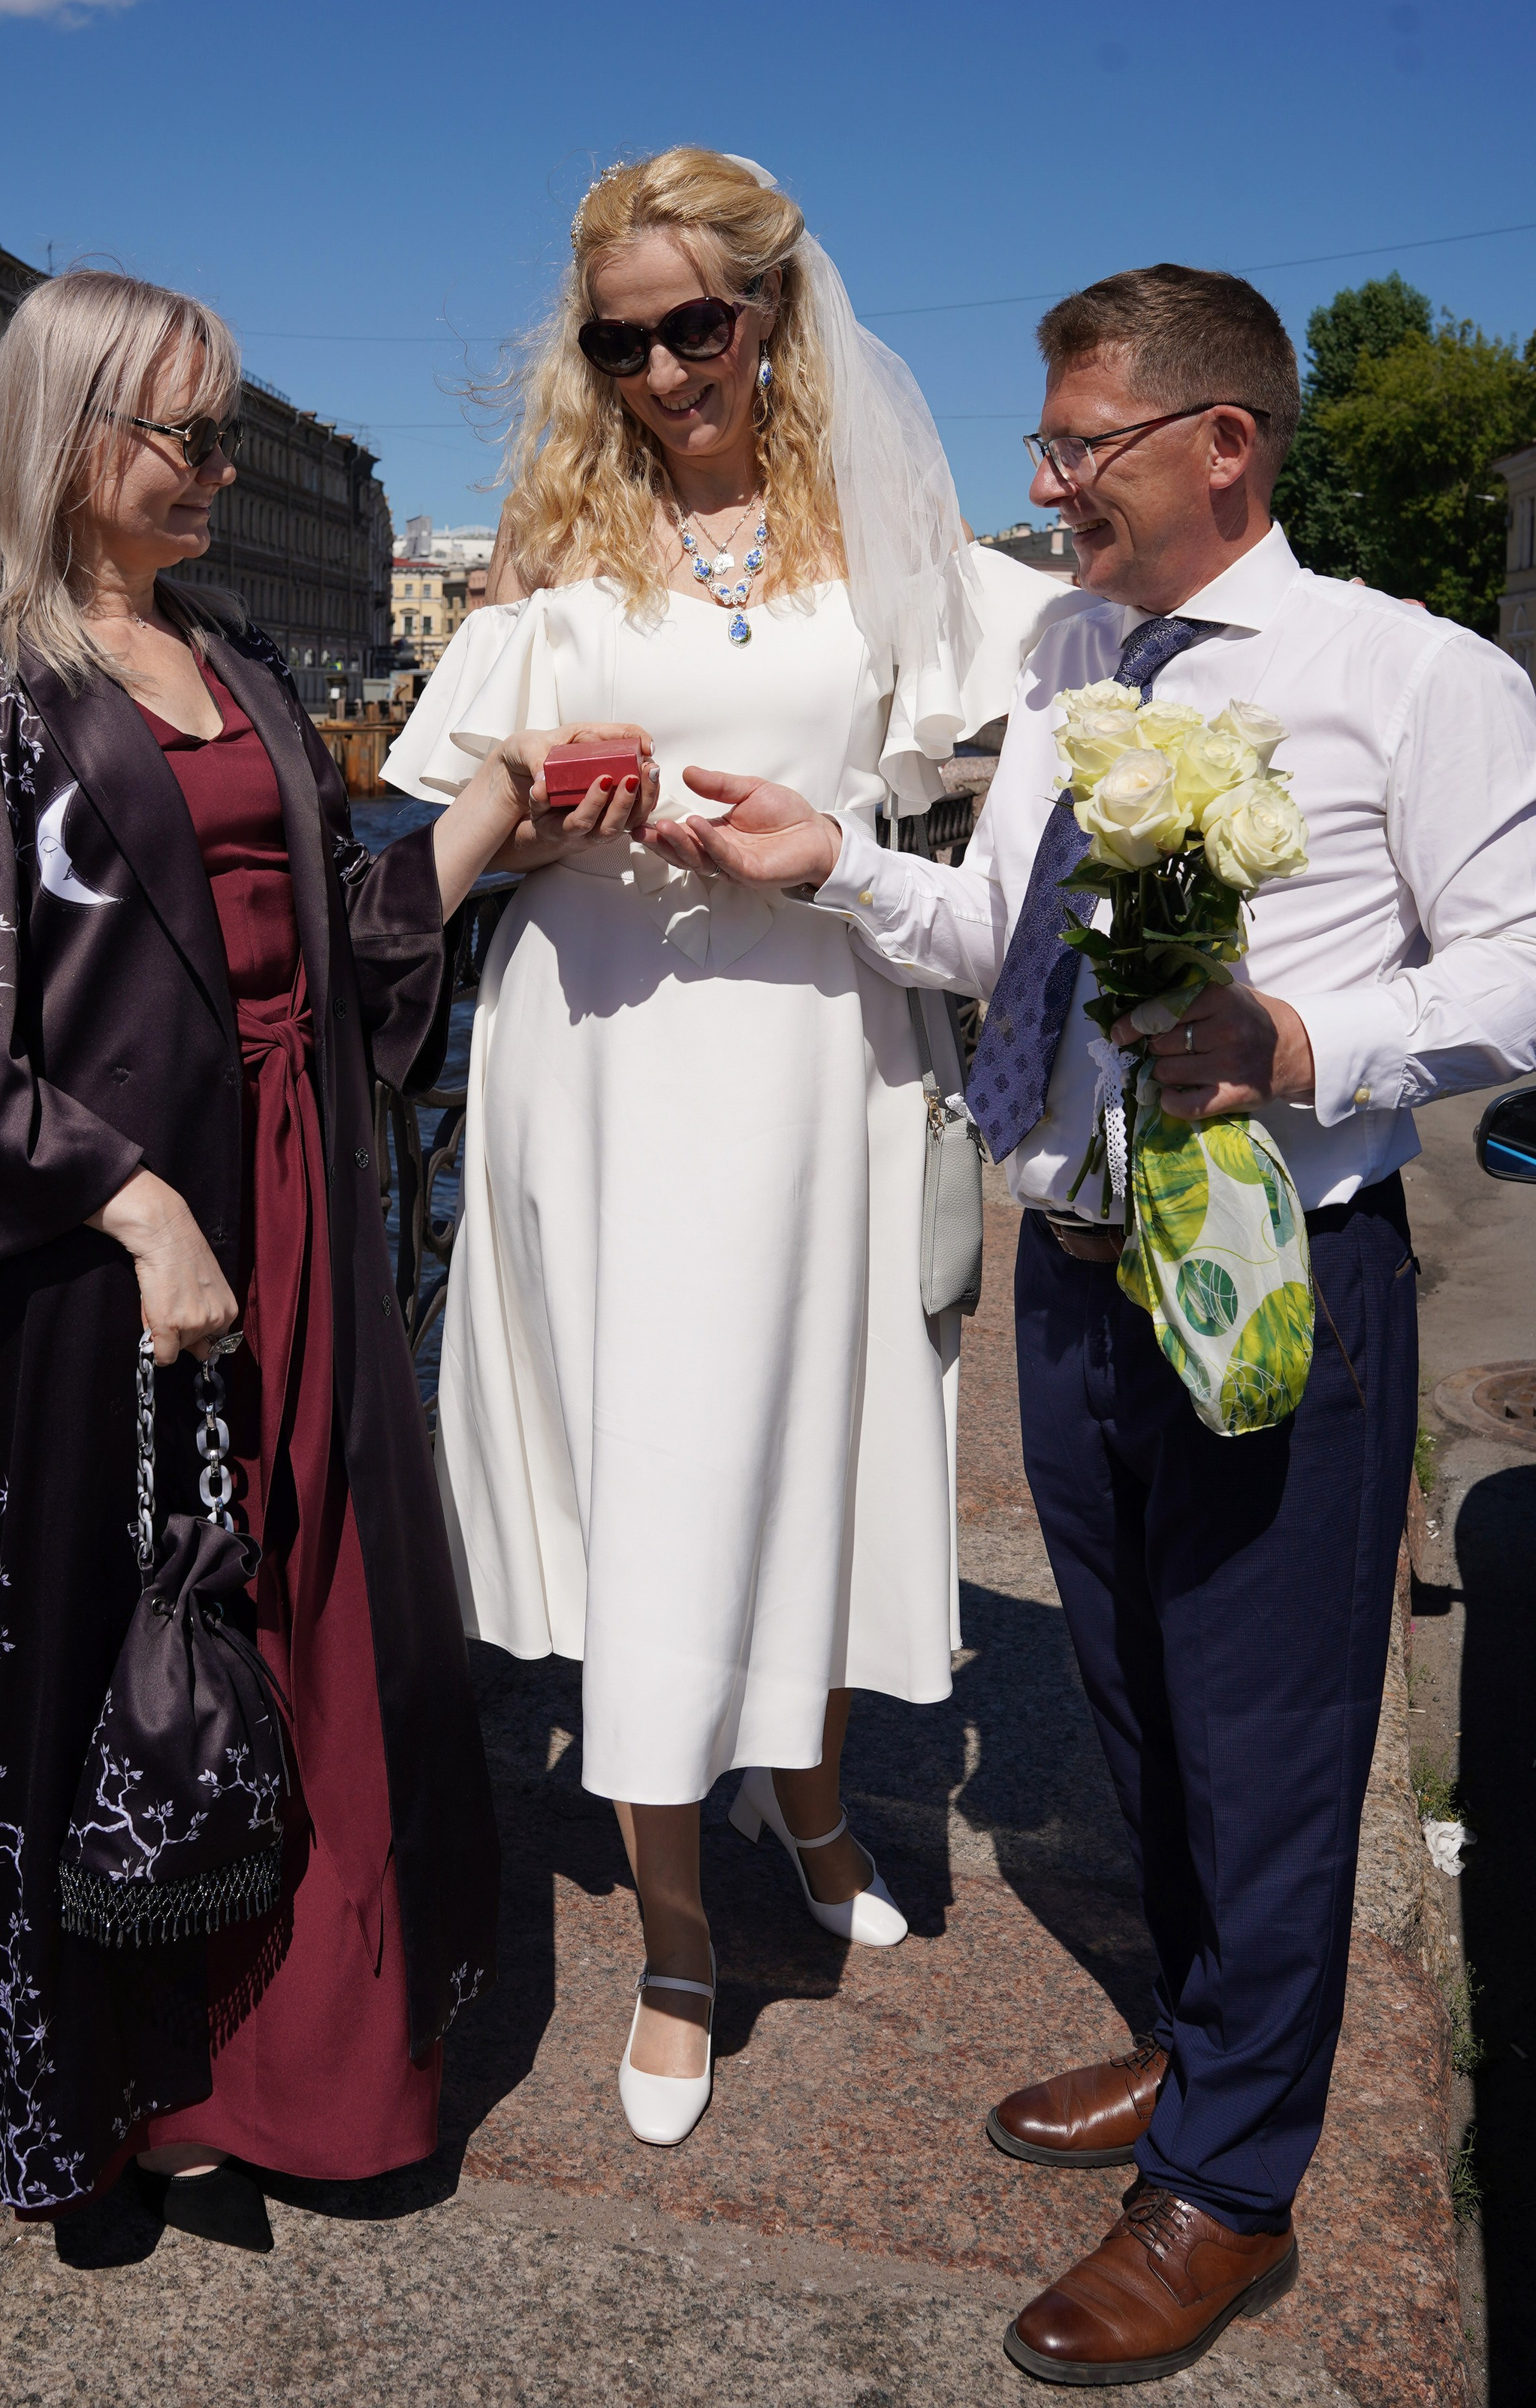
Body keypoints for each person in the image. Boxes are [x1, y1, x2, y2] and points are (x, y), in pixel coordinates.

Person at [655, 262, 1536, 2377]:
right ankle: (1205, 2039)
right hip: (1073, 1271)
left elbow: (1523, 966)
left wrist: (1300, 1037)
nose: (1047, 490)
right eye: (1043, 448)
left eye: (1080, 448)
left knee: (1271, 1735)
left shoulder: (1409, 673)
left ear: (1223, 444)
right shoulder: (1070, 655)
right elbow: (1003, 933)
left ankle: (1234, 2186)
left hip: (1269, 1283)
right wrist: (832, 863)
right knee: (1141, 1706)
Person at [0, 269, 646, 2233]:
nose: (213, 464)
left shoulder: (244, 657)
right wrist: (133, 1210)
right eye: (181, 433)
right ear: (65, 439)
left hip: (296, 1192)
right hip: (102, 1250)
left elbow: (335, 938)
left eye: (222, 430)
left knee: (308, 1609)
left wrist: (496, 805)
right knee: (108, 1649)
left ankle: (305, 2069)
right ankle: (116, 2096)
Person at [382, 148, 1066, 2147]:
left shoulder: (888, 541)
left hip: (819, 1043)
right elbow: (457, 836)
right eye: (623, 341)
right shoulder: (551, 554)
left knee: (822, 1435)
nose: (667, 369)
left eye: (697, 324)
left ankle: (814, 1799)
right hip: (607, 1049)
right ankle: (677, 1945)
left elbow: (1070, 694)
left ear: (772, 311)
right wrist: (546, 818)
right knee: (661, 1466)